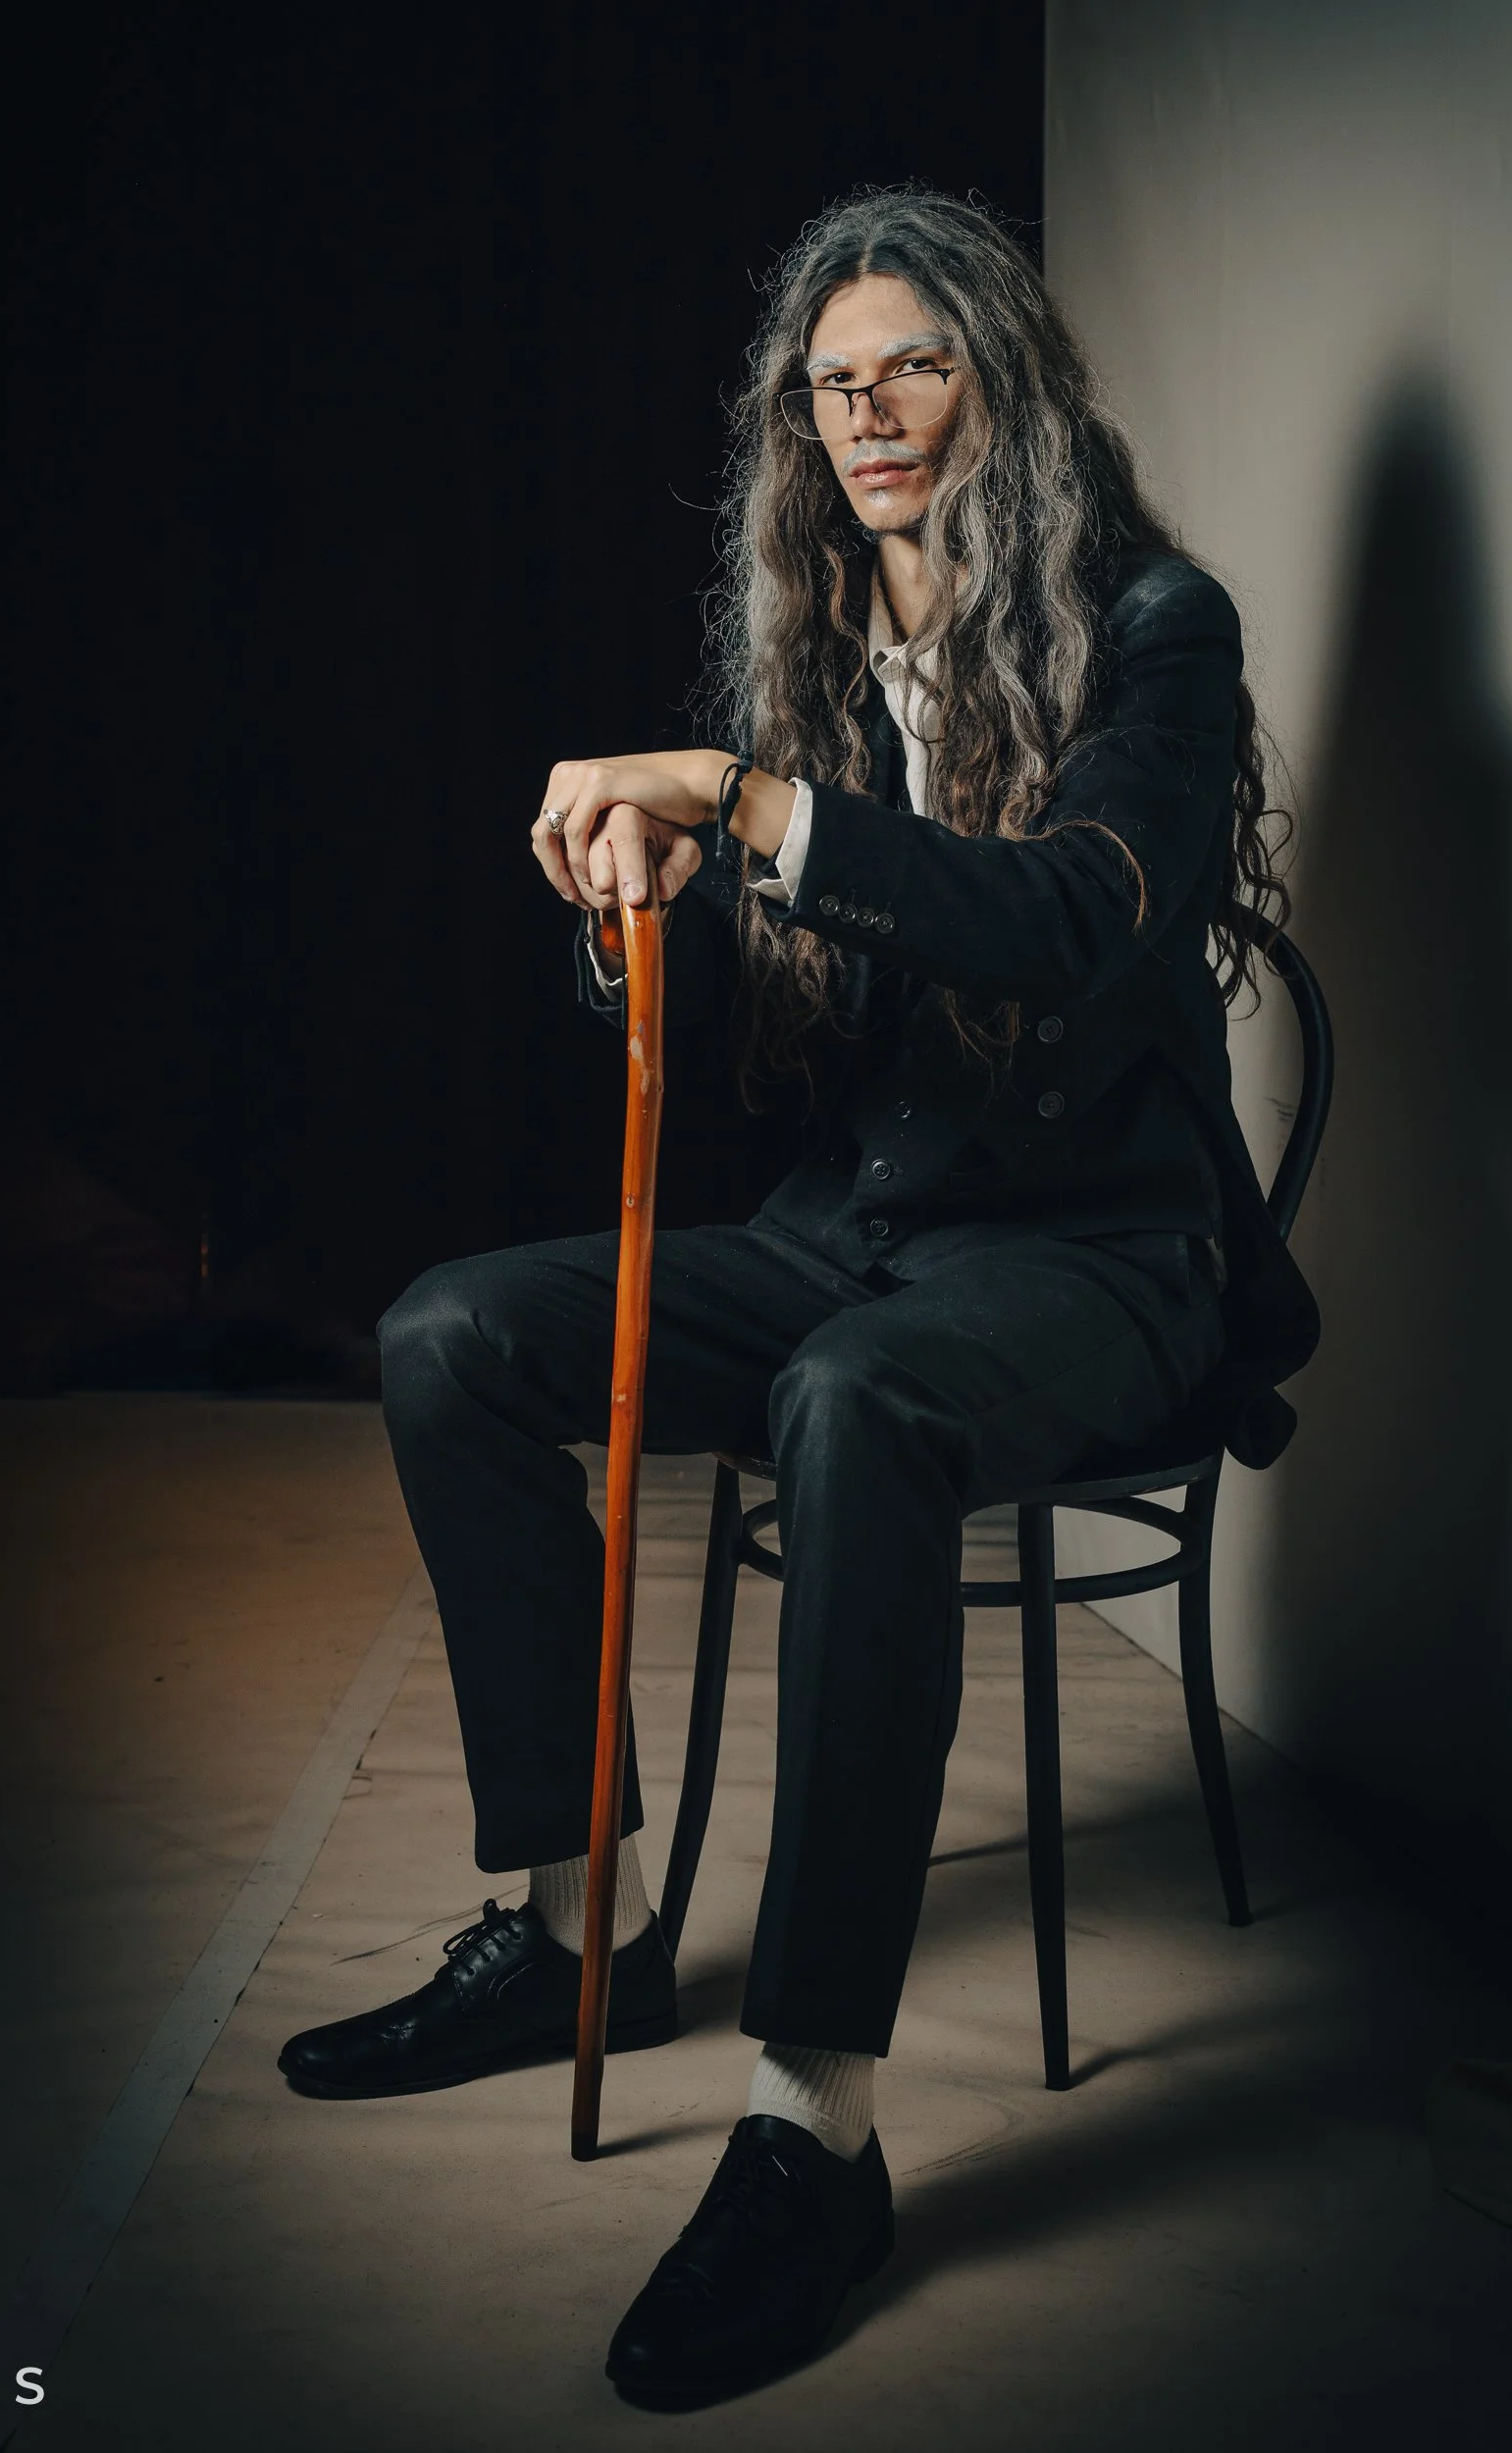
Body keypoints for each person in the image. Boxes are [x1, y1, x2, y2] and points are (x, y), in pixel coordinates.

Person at [278, 186, 1318, 2405]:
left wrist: (741, 801)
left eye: (913, 361)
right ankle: (580, 1933)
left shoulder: (1157, 624)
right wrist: (642, 904)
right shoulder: (822, 648)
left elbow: (1069, 916)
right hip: (848, 1230)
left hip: (1097, 1258)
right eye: (831, 382)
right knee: (452, 1332)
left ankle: (811, 2129)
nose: (867, 411)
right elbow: (773, 1017)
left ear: (1002, 379)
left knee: (857, 1396)